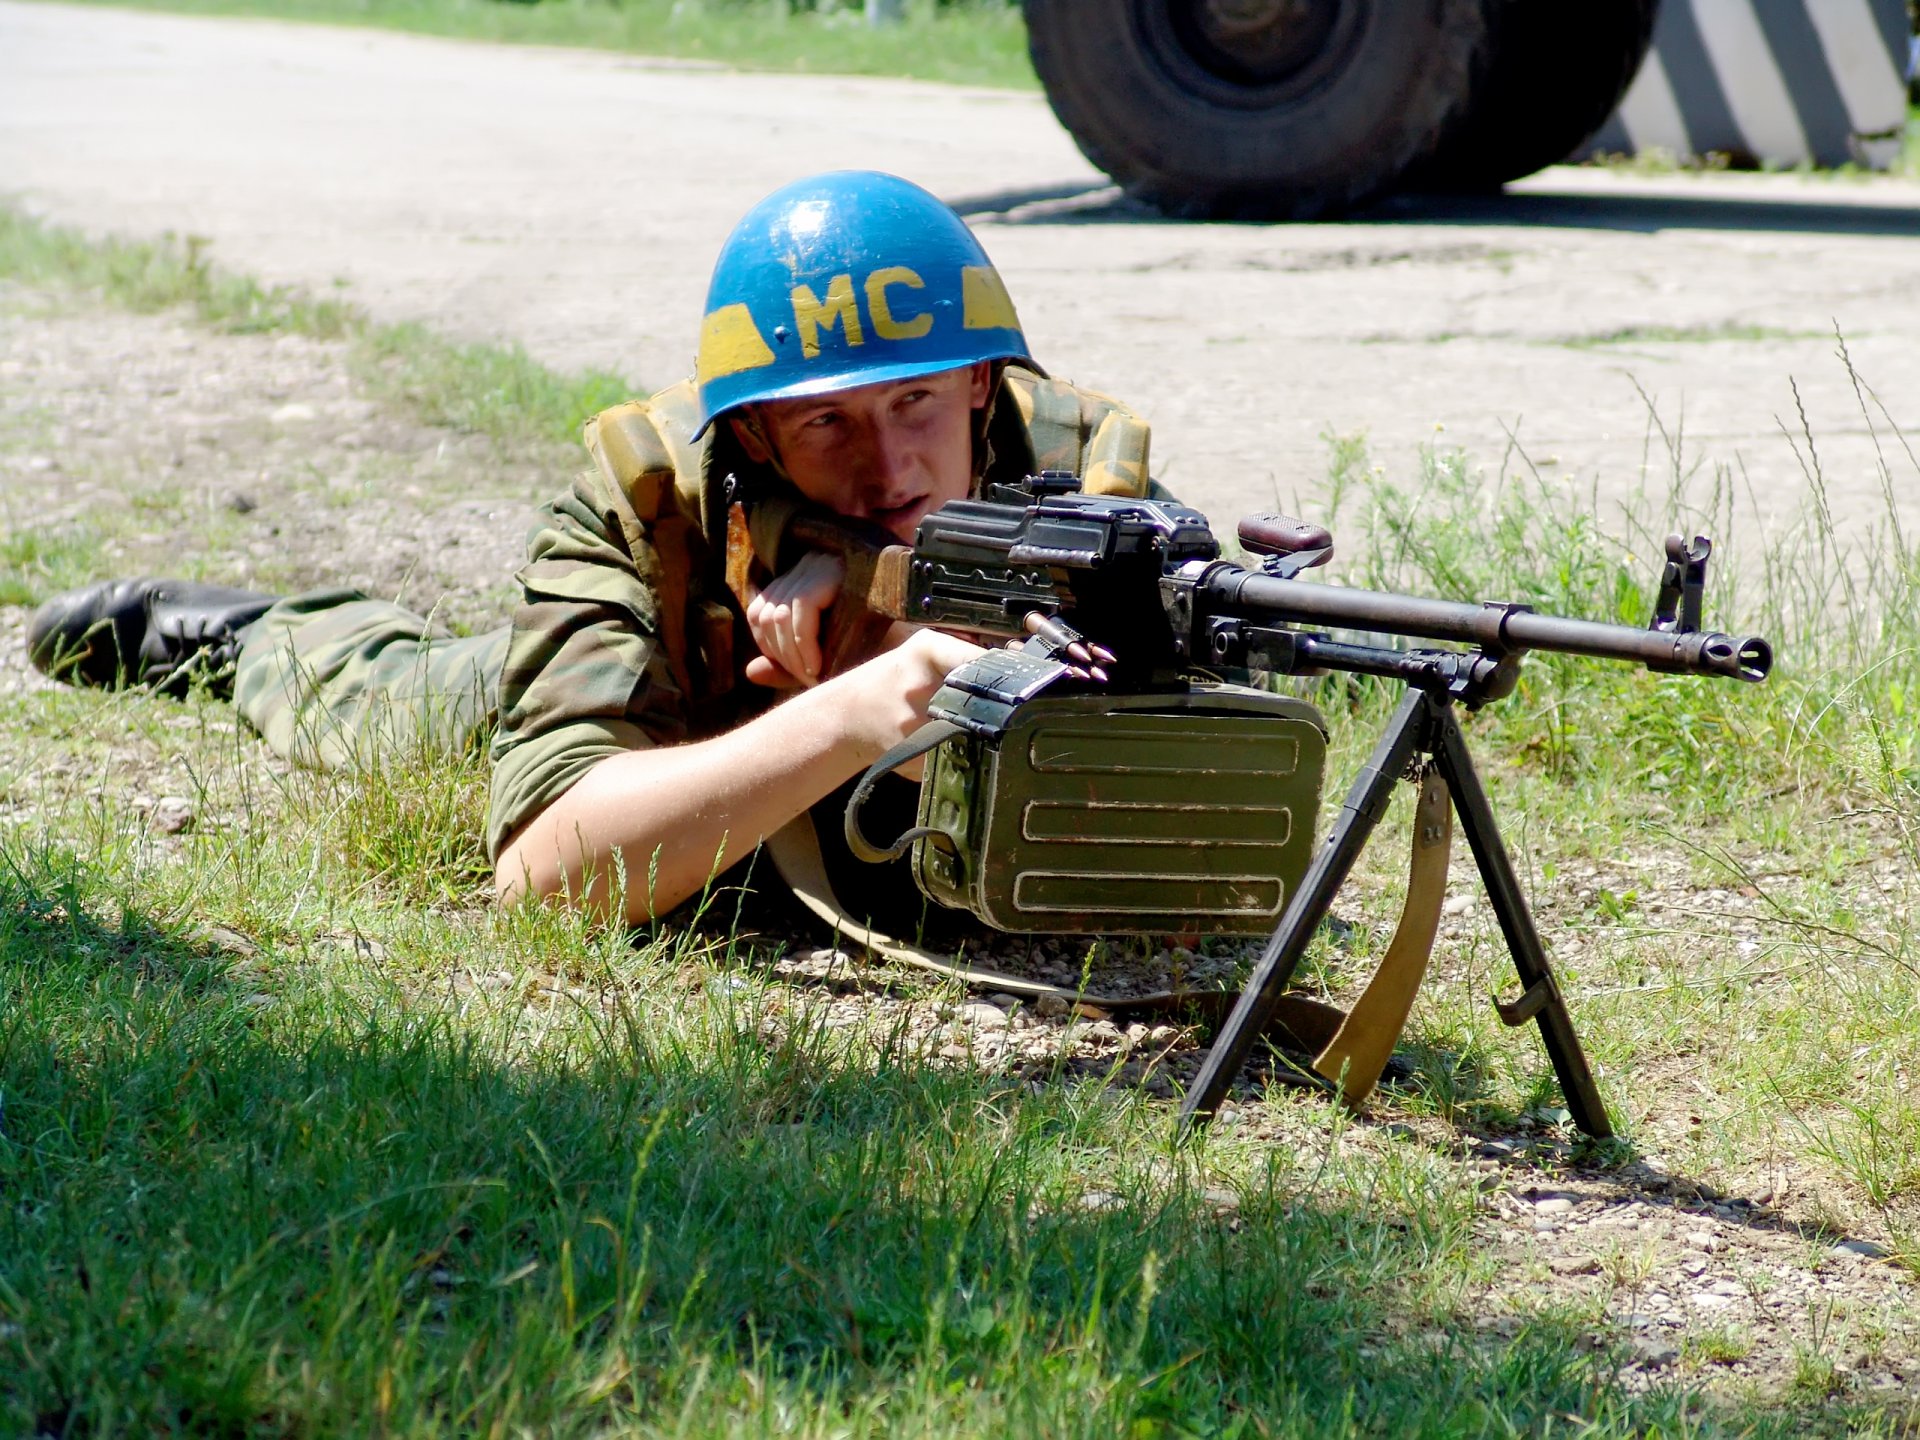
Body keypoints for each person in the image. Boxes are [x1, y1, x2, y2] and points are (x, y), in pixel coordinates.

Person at [26, 171, 1158, 924]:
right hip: (658, 707)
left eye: (915, 401)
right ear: (757, 431)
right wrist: (864, 711)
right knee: (397, 695)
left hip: (746, 773)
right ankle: (251, 635)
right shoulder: (652, 498)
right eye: (827, 422)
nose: (889, 468)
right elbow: (542, 872)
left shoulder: (1097, 508)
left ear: (977, 380)